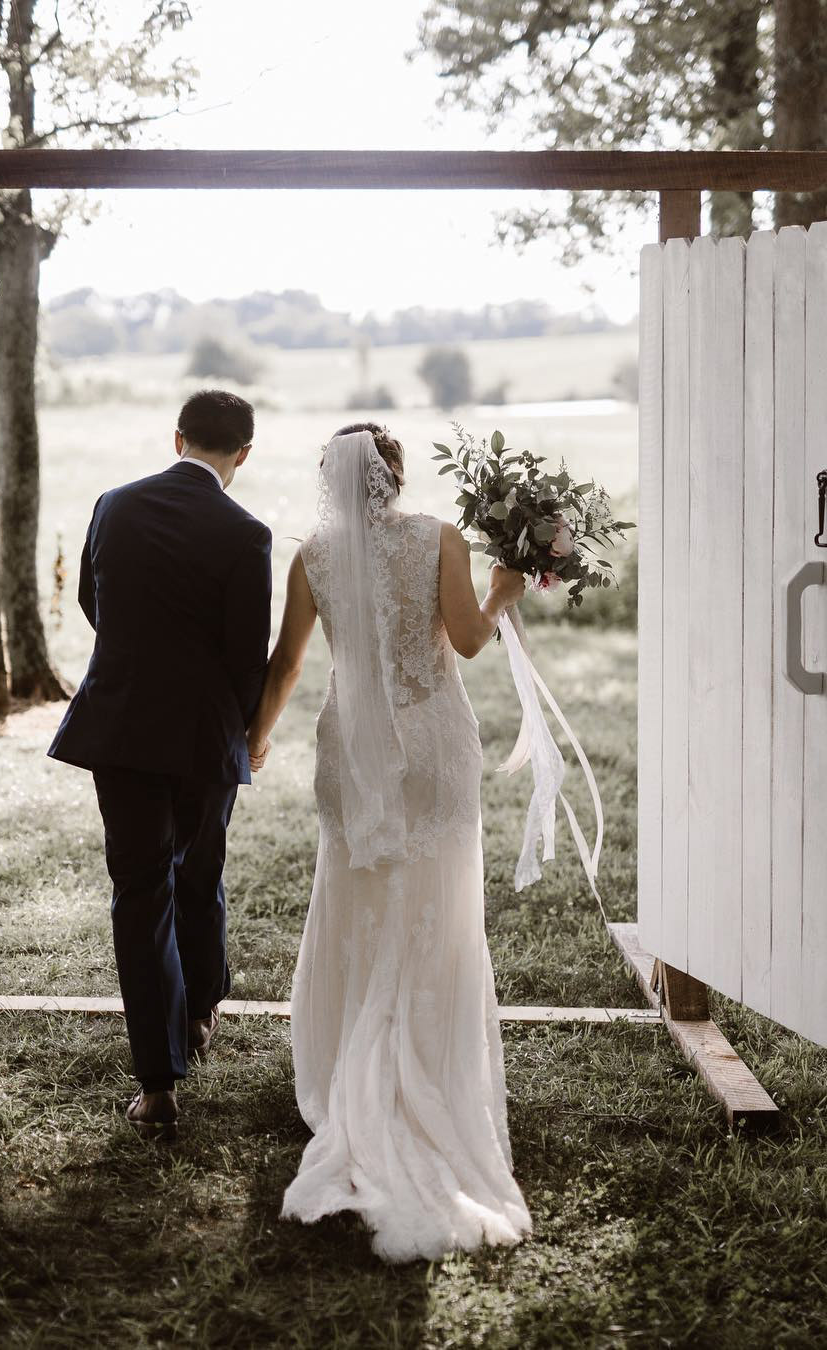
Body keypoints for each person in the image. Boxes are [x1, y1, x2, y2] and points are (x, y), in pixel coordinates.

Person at [245, 422, 533, 1262]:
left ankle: (354, 1067)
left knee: (359, 892)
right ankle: (427, 1061)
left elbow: (288, 665)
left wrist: (257, 738)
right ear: (396, 478)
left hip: (355, 748)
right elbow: (470, 641)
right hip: (433, 741)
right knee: (435, 897)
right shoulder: (439, 537)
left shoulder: (313, 559)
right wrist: (503, 594)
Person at [47, 389, 272, 1142]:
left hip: (124, 725)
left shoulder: (114, 504)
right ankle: (203, 1011)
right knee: (201, 868)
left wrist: (141, 658)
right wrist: (238, 726)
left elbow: (92, 599)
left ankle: (157, 1083)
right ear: (242, 453)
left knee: (140, 891)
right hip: (207, 734)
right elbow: (249, 656)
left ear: (177, 437)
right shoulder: (248, 532)